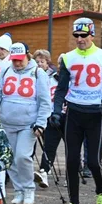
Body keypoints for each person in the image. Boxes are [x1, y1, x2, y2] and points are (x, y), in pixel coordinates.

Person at [50, 17, 102, 204]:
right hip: (73, 113)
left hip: (96, 114)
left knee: (93, 161)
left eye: (84, 35)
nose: (80, 39)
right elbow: (61, 89)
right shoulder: (67, 58)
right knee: (72, 161)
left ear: (92, 34)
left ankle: (101, 193)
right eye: (77, 36)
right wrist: (57, 111)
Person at [0, 43, 51, 204]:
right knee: (9, 158)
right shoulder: (6, 71)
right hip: (7, 122)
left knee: (22, 156)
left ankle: (29, 189)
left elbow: (45, 101)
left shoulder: (38, 73)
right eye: (14, 60)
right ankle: (18, 191)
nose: (17, 63)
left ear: (27, 56)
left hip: (28, 124)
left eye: (20, 59)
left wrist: (41, 123)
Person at [33, 49, 61, 188]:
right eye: (37, 61)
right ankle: (38, 171)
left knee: (51, 145)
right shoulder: (32, 76)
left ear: (47, 62)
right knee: (41, 145)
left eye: (42, 62)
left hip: (54, 114)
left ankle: (45, 171)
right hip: (39, 114)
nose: (39, 64)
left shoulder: (55, 77)